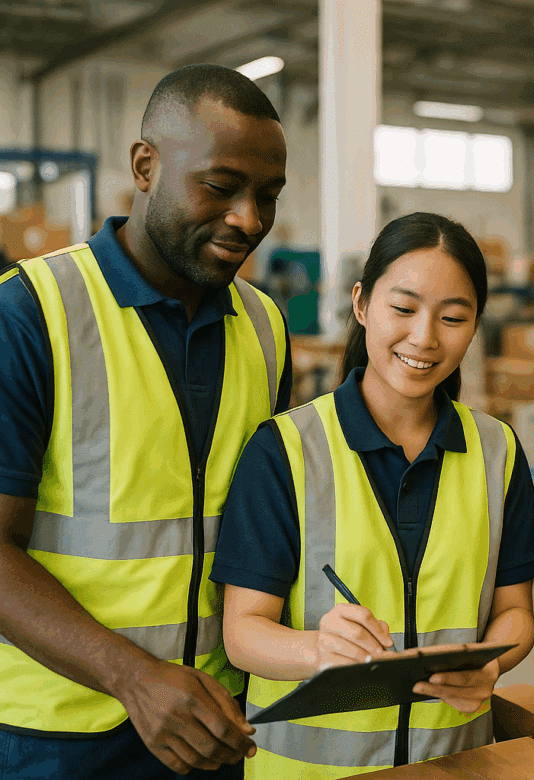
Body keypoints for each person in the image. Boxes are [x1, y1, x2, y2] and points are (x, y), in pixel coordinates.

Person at [0, 64, 292, 779]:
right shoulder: (31, 314)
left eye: (268, 196)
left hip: (215, 726)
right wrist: (131, 676)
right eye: (221, 188)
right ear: (145, 166)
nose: (248, 219)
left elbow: (270, 528)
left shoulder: (265, 328)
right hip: (59, 738)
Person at [212, 212, 534, 778]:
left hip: (452, 765)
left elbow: (515, 615)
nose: (425, 337)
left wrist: (489, 668)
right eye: (403, 308)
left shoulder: (499, 452)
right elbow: (242, 632)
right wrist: (317, 650)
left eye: (453, 317)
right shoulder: (286, 450)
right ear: (362, 304)